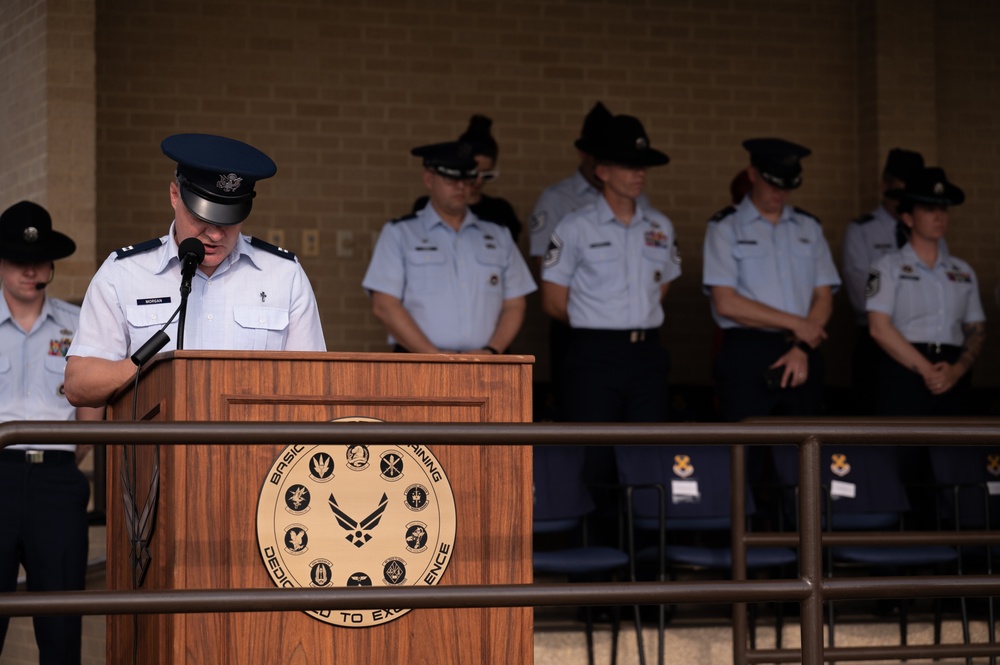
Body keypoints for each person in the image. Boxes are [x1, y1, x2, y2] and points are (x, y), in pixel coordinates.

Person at [65, 133, 326, 407]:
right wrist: (152, 369)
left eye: (228, 219)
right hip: (158, 448)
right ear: (175, 195)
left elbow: (315, 384)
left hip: (256, 447)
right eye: (201, 216)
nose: (214, 234)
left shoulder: (284, 275)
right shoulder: (124, 274)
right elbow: (78, 384)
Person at [0, 200, 104, 664]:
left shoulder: (77, 325)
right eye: (19, 261)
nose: (30, 271)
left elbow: (89, 414)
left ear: (51, 266)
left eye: (39, 261)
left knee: (61, 628)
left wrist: (65, 460)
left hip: (56, 481)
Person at [541, 112, 679, 423]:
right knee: (595, 456)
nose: (639, 174)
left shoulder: (661, 226)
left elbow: (660, 286)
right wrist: (601, 318)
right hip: (594, 354)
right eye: (629, 165)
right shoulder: (574, 226)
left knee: (647, 454)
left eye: (642, 166)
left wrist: (633, 314)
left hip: (647, 354)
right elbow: (552, 301)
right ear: (602, 170)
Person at [702, 138, 841, 422]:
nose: (780, 193)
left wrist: (801, 346)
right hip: (748, 351)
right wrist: (797, 324)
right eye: (773, 183)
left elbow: (824, 297)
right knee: (743, 456)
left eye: (787, 186)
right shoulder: (724, 226)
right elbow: (726, 303)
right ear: (753, 175)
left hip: (803, 348)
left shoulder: (809, 226)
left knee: (804, 455)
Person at [363, 140, 536, 354]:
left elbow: (515, 304)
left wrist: (492, 350)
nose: (461, 186)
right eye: (451, 178)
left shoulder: (498, 235)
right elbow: (384, 305)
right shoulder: (400, 233)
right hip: (420, 363)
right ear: (429, 179)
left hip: (486, 364)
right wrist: (435, 357)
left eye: (465, 178)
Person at [866, 166, 985, 416]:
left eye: (944, 209)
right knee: (903, 452)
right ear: (908, 218)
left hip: (953, 370)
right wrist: (927, 370)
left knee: (954, 454)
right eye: (930, 209)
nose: (939, 216)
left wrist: (958, 369)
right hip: (903, 368)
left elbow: (975, 329)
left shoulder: (964, 271)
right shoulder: (884, 267)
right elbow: (878, 328)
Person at [842, 148, 925, 413]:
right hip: (875, 341)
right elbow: (860, 295)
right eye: (901, 191)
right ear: (884, 186)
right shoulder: (861, 230)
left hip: (921, 341)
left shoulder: (931, 234)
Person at [412, 115, 522, 242]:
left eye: (486, 175)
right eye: (472, 173)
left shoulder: (500, 210)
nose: (478, 180)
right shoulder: (425, 205)